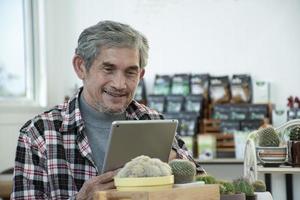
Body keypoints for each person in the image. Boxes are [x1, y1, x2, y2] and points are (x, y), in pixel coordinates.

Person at [11, 20, 205, 200]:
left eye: (131, 72)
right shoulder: (38, 133)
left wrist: (174, 162)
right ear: (81, 67)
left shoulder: (153, 120)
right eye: (108, 69)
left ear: (141, 75)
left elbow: (203, 185)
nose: (120, 84)